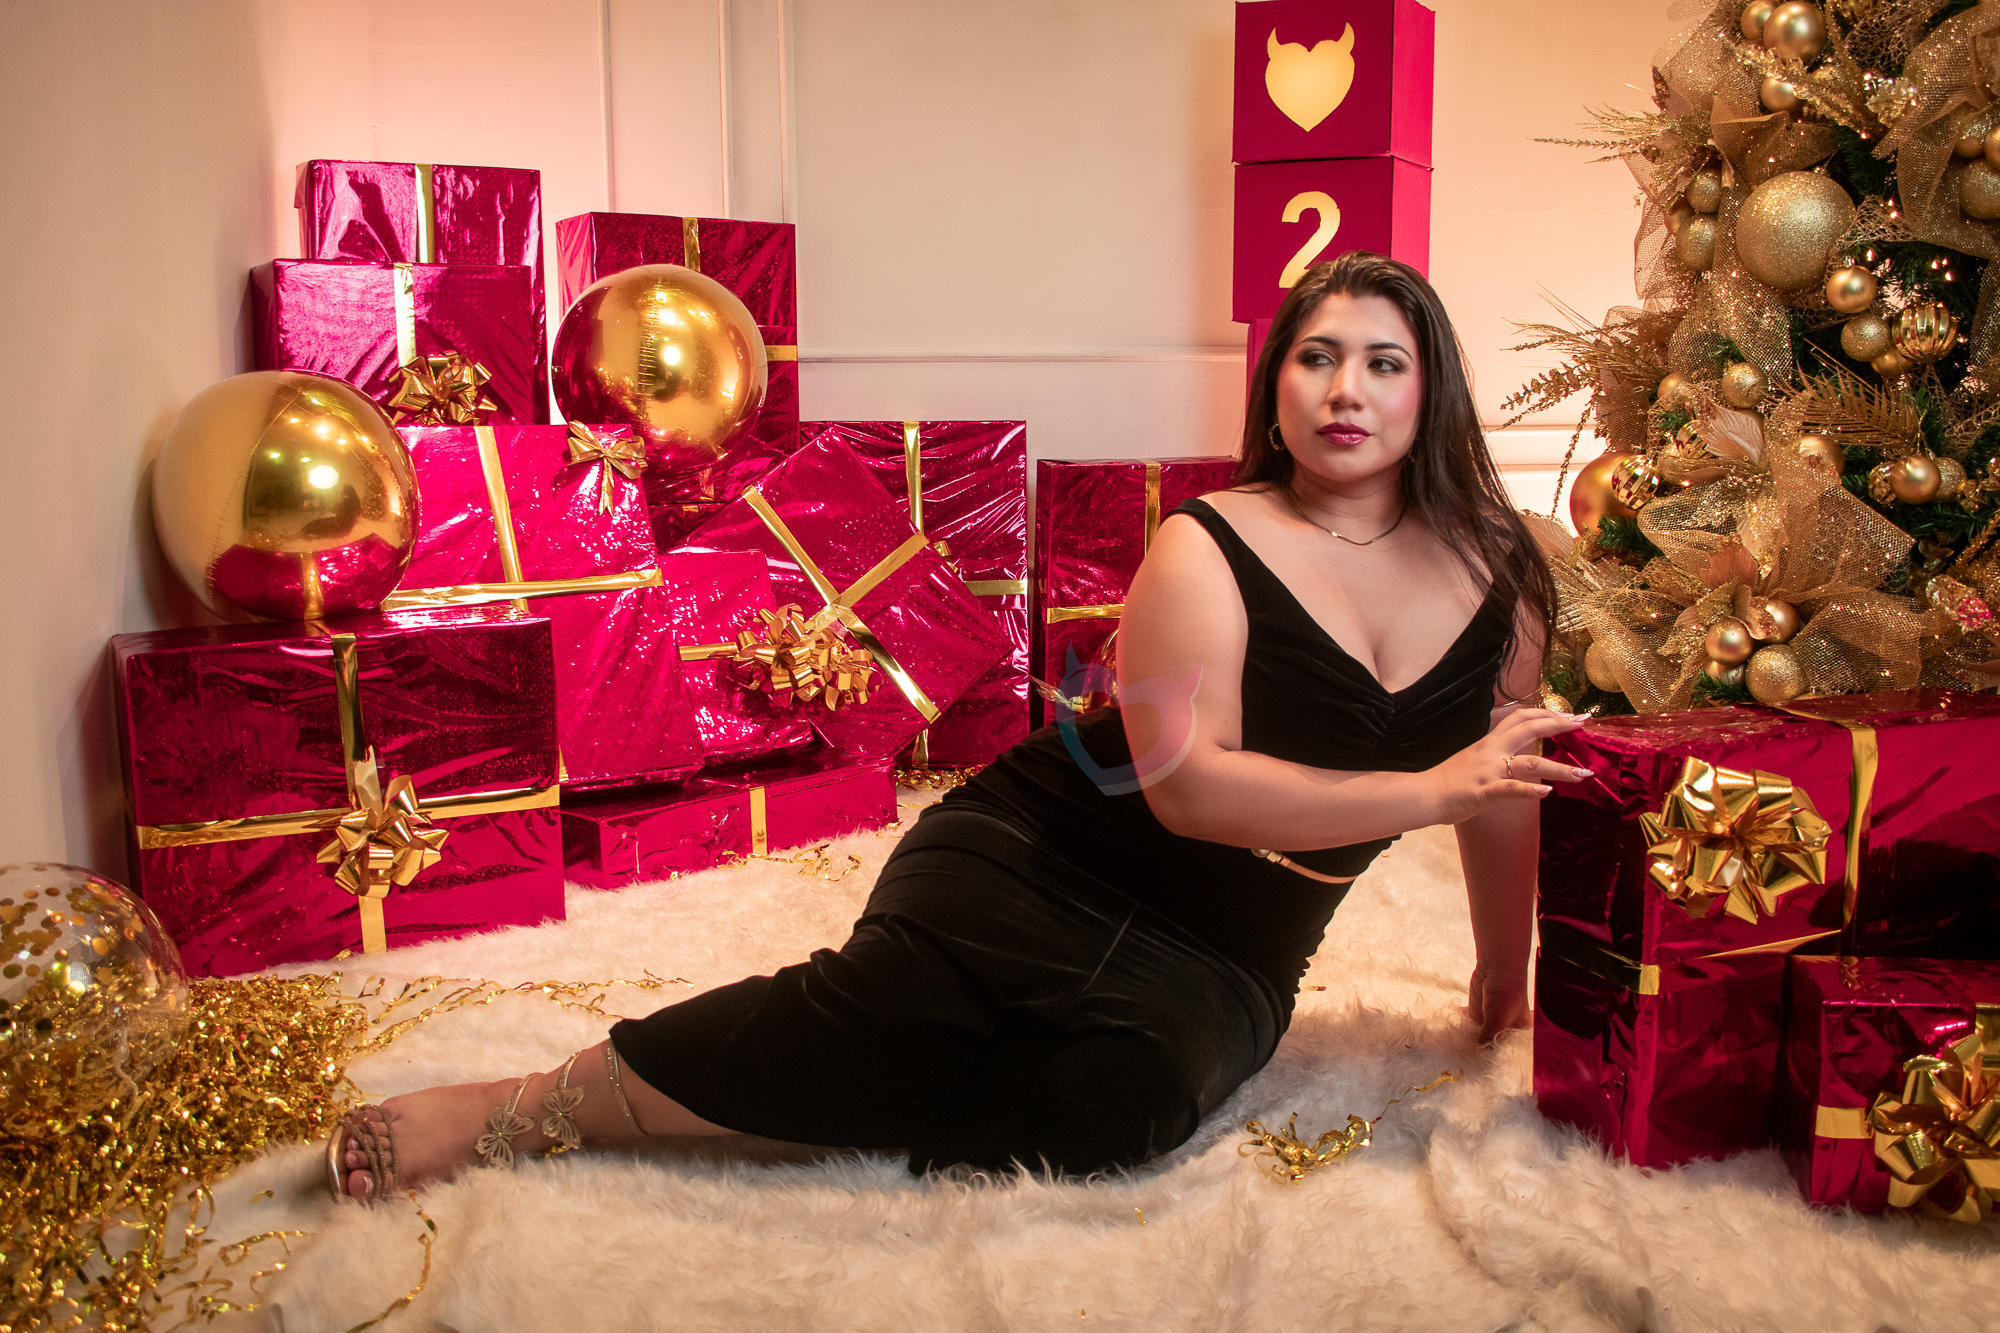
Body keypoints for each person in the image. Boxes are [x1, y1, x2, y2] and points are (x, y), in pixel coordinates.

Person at [327, 251, 1590, 1203]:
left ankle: (883, 1093)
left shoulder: (1502, 573)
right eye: (1315, 357)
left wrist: (1502, 963)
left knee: (1121, 1106)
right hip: (1051, 850)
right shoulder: (1206, 543)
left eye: (1382, 361)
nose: (1344, 390)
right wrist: (1432, 789)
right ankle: (520, 1105)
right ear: (1276, 386)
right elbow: (1186, 790)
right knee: (891, 1008)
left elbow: (1506, 782)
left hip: (1230, 950)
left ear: (1430, 389)